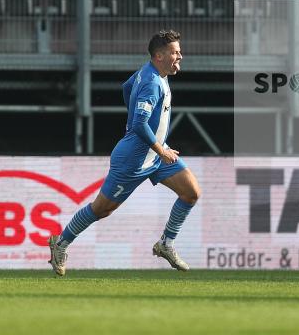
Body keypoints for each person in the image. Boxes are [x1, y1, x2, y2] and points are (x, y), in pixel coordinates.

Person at [48, 30, 201, 275]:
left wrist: (156, 143)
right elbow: (140, 124)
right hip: (134, 158)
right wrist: (159, 147)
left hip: (156, 155)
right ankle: (61, 242)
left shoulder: (152, 73)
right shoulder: (152, 83)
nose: (180, 56)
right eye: (175, 52)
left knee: (191, 192)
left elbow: (127, 87)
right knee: (102, 209)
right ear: (160, 56)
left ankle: (166, 244)